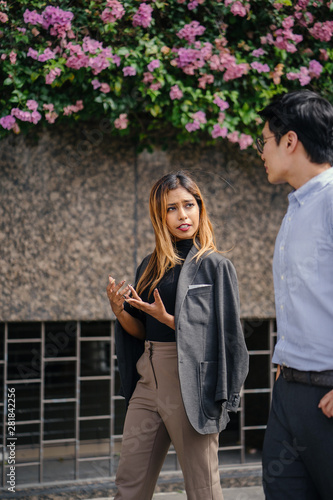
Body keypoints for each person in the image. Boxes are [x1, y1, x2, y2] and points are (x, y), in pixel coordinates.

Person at [106, 171, 249, 500]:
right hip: (148, 380)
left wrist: (169, 319)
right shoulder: (150, 265)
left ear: (200, 207)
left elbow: (223, 336)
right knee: (129, 484)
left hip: (190, 380)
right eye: (172, 208)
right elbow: (141, 330)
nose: (183, 215)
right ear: (159, 215)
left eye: (189, 205)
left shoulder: (215, 266)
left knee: (202, 489)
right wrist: (120, 311)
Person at [257, 90, 333, 500]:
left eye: (263, 141)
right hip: (289, 393)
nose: (260, 152)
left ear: (290, 140)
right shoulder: (297, 207)